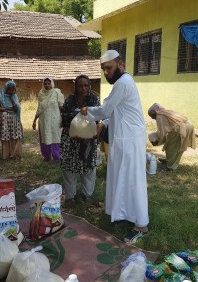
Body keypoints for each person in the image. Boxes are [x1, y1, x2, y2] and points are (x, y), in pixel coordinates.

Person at [80, 50, 149, 244]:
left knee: (133, 180)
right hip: (122, 139)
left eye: (109, 68)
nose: (106, 73)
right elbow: (116, 111)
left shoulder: (123, 82)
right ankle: (123, 214)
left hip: (130, 140)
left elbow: (106, 108)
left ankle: (141, 225)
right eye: (103, 70)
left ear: (121, 64)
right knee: (121, 177)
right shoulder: (123, 82)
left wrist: (88, 112)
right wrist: (105, 123)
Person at [61, 75, 100, 206]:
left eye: (86, 85)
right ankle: (70, 196)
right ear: (75, 87)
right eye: (80, 85)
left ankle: (87, 195)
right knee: (69, 168)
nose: (83, 88)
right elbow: (64, 118)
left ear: (89, 86)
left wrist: (86, 134)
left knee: (88, 167)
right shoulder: (70, 100)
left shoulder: (94, 99)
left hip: (88, 141)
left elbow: (97, 119)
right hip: (70, 139)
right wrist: (72, 132)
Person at [148, 103, 196, 171]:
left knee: (173, 148)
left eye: (151, 115)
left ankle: (170, 167)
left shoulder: (159, 116)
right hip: (187, 126)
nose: (151, 118)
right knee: (174, 147)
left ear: (154, 113)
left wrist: (157, 141)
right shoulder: (166, 112)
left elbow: (162, 132)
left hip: (180, 129)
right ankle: (169, 160)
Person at [32, 77, 64, 162]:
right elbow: (39, 108)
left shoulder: (56, 92)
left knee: (55, 137)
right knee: (45, 137)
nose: (46, 85)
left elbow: (61, 106)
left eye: (48, 83)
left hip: (55, 120)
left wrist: (63, 119)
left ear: (52, 84)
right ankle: (47, 157)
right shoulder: (41, 94)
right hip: (44, 120)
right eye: (45, 83)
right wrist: (34, 120)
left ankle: (57, 156)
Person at [0, 80, 23, 160]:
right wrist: (6, 108)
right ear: (6, 88)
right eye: (9, 89)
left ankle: (14, 154)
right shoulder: (0, 95)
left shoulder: (15, 96)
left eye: (12, 90)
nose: (11, 91)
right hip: (5, 118)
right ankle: (5, 155)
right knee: (6, 137)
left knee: (14, 136)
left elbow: (16, 108)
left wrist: (11, 98)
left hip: (14, 118)